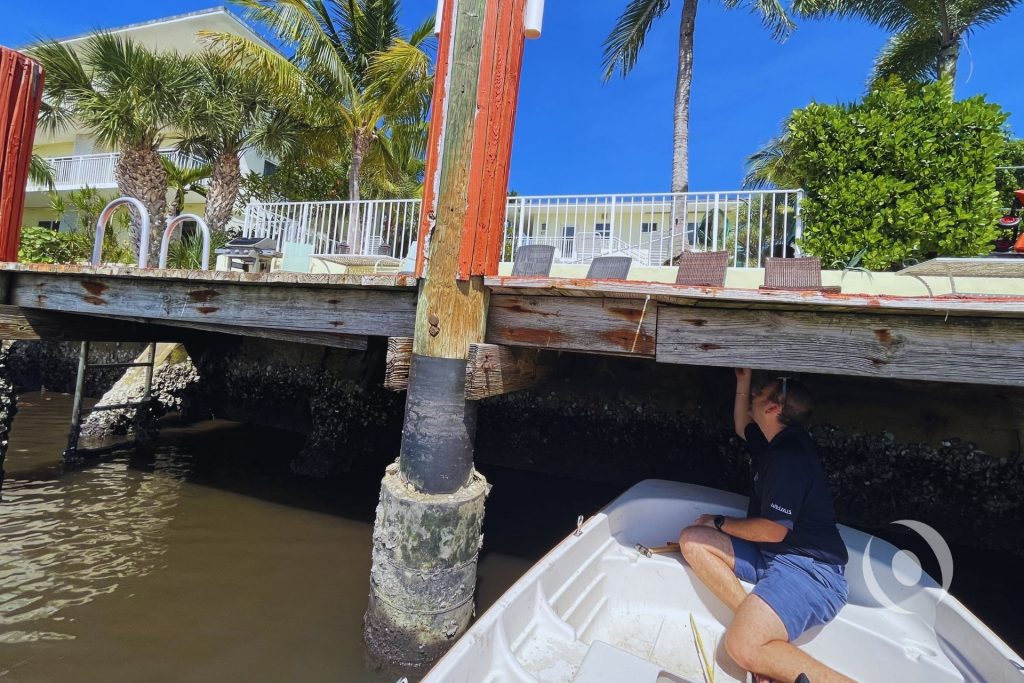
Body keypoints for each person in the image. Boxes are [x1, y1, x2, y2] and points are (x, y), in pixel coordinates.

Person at [678, 368, 853, 683]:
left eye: (759, 394)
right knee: (693, 540)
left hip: (810, 570)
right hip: (773, 556)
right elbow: (741, 425)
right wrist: (743, 381)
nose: (754, 398)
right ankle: (765, 637)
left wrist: (720, 522)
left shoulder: (789, 457)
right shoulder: (775, 441)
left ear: (773, 409)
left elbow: (774, 530)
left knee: (740, 645)